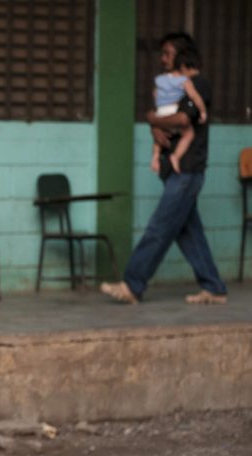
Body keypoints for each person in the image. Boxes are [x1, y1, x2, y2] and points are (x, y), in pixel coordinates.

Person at [101, 32, 228, 305]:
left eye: (168, 53)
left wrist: (152, 119)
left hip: (188, 171)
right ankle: (214, 287)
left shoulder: (198, 85)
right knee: (189, 232)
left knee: (159, 227)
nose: (163, 59)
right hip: (173, 170)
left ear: (183, 54)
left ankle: (133, 285)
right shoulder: (173, 85)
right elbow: (164, 116)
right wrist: (155, 123)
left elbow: (183, 118)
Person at [150, 52, 208, 174]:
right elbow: (194, 96)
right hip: (173, 111)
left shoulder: (160, 79)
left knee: (159, 135)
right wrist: (203, 111)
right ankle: (175, 156)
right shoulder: (183, 80)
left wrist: (159, 107)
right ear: (182, 68)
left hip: (160, 111)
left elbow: (155, 93)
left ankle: (155, 156)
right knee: (189, 134)